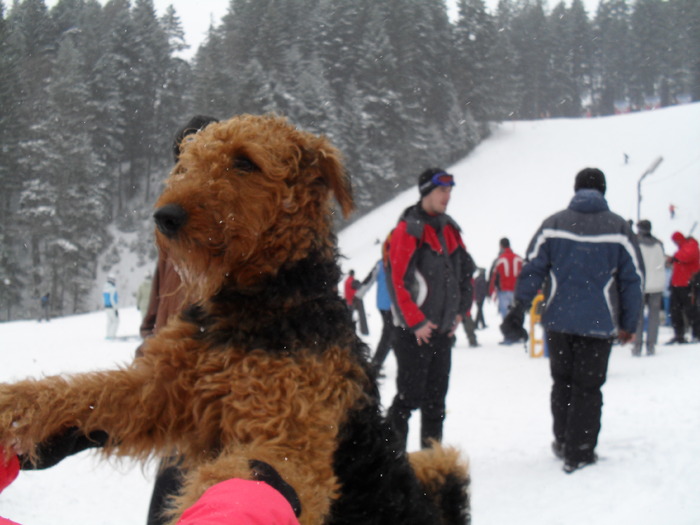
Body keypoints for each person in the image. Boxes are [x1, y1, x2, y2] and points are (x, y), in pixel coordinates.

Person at [501, 167, 643, 474]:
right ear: (603, 191)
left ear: (575, 189)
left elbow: (533, 269)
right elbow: (633, 280)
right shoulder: (618, 228)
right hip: (599, 322)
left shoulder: (553, 224)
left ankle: (563, 440)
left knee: (562, 383)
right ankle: (580, 451)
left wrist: (518, 307)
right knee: (588, 388)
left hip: (559, 319)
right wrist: (629, 324)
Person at [385, 167, 473, 451]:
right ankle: (392, 462)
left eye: (450, 190)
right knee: (408, 399)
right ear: (426, 192)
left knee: (436, 404)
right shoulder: (408, 229)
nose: (447, 196)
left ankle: (430, 463)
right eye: (441, 190)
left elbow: (465, 273)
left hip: (442, 332)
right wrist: (416, 323)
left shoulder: (450, 228)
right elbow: (397, 282)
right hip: (414, 334)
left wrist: (461, 310)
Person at [633, 220, 666, 356]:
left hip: (640, 283)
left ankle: (637, 344)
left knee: (638, 315)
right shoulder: (658, 244)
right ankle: (651, 344)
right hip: (656, 284)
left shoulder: (635, 243)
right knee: (654, 316)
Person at [666, 231, 700, 344]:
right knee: (675, 310)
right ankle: (679, 334)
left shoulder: (691, 245)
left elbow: (686, 257)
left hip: (688, 284)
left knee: (691, 310)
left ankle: (697, 334)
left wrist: (674, 257)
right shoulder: (683, 248)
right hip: (678, 284)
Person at [370, 255, 396, 372]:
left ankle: (376, 364)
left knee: (392, 333)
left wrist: (359, 294)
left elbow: (369, 279)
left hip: (383, 305)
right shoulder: (396, 261)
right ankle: (375, 366)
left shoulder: (380, 263)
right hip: (391, 306)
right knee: (389, 335)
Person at [488, 237, 523, 322]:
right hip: (517, 291)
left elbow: (493, 277)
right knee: (516, 313)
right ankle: (516, 331)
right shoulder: (519, 259)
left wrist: (490, 291)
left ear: (501, 246)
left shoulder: (500, 259)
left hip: (503, 291)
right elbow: (525, 275)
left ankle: (509, 332)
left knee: (506, 316)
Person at [343, 269, 369, 336]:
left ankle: (346, 330)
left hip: (348, 301)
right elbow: (359, 286)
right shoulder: (352, 281)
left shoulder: (346, 281)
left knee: (349, 317)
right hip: (354, 300)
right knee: (361, 314)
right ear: (353, 274)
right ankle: (364, 331)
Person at [102, 274, 119, 339]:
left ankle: (108, 335)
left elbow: (103, 298)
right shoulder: (112, 289)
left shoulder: (105, 288)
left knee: (109, 321)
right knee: (115, 321)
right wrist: (115, 308)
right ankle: (112, 335)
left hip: (107, 307)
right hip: (112, 307)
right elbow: (112, 300)